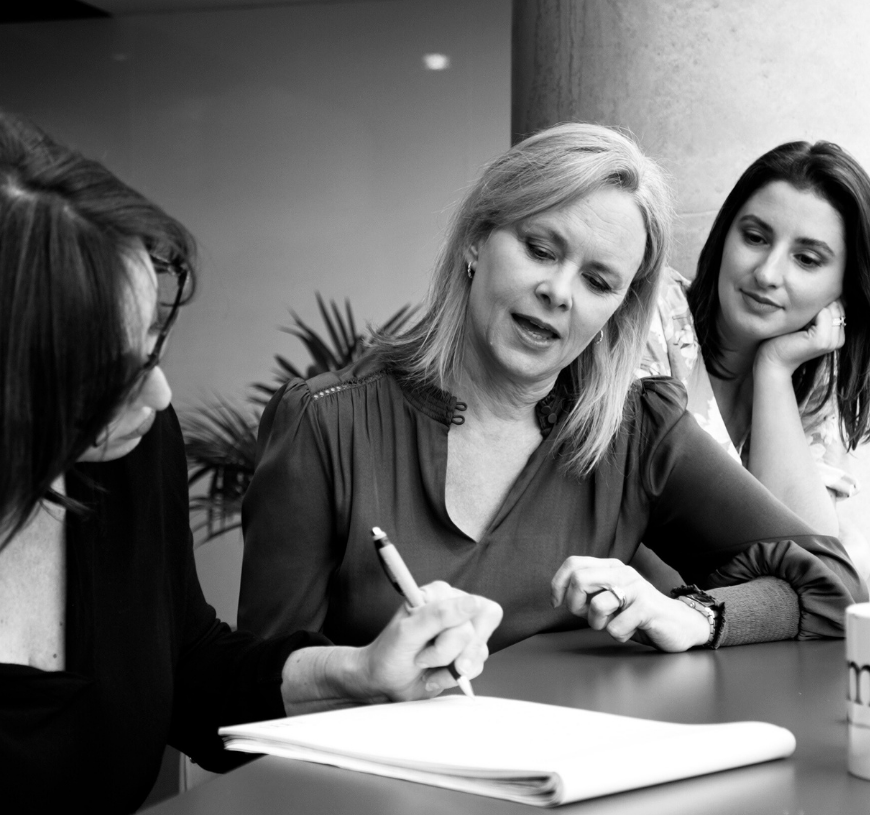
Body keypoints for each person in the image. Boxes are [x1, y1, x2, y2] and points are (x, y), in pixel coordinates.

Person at [0, 103, 502, 815]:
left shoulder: (127, 449)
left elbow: (189, 666)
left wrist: (361, 673)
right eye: (108, 375)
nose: (160, 391)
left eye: (151, 346)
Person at [238, 123, 865, 655]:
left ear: (618, 311)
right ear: (478, 240)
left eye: (598, 282)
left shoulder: (636, 431)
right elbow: (255, 697)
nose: (560, 293)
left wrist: (696, 615)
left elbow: (832, 584)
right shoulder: (325, 423)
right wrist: (365, 677)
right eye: (541, 249)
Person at [639, 141, 870, 580]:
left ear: (842, 289)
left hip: (728, 630)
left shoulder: (814, 376)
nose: (766, 273)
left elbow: (814, 558)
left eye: (806, 259)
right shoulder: (654, 314)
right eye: (755, 237)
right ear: (726, 235)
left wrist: (775, 369)